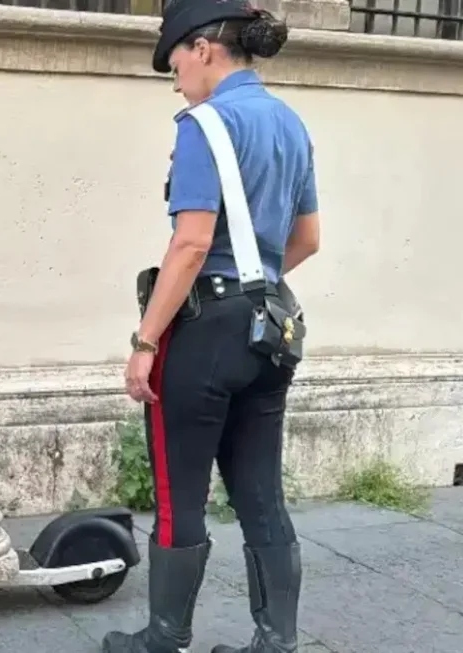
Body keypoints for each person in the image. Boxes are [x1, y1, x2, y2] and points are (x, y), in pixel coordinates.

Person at [104, 1, 320, 652]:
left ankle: (164, 637)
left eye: (174, 62)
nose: (174, 79)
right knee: (261, 493)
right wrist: (252, 284)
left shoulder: (205, 124)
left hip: (203, 335)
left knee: (179, 493)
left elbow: (191, 244)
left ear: (203, 50)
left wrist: (145, 340)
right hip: (268, 328)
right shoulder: (289, 122)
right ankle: (274, 641)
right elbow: (307, 239)